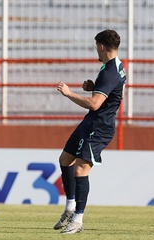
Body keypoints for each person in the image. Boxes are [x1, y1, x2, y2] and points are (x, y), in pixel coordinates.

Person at [54, 29, 126, 234]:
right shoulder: (114, 67)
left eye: (97, 46)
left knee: (80, 170)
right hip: (91, 123)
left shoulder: (110, 71)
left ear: (101, 46)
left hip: (99, 127)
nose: (96, 50)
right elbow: (111, 93)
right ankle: (70, 207)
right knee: (64, 159)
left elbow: (95, 104)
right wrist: (95, 86)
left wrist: (69, 93)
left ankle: (77, 220)